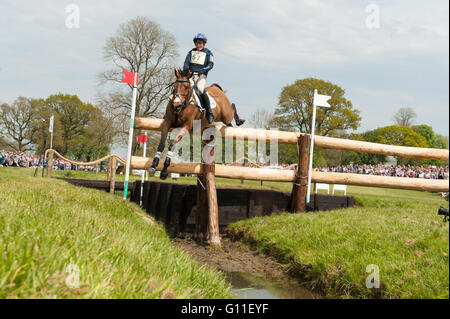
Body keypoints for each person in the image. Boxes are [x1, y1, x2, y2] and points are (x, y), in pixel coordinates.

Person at [183, 33, 215, 123]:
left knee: (200, 89)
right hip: (190, 75)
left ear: (204, 44)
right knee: (180, 86)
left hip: (201, 75)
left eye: (200, 43)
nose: (198, 45)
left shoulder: (208, 53)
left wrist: (204, 69)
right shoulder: (191, 52)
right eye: (197, 43)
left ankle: (209, 112)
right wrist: (186, 69)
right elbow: (186, 63)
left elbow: (211, 64)